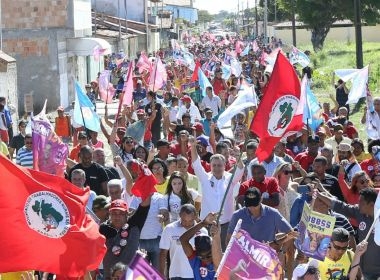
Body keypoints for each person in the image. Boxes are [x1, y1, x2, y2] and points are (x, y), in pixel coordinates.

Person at [190, 136, 244, 251]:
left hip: (226, 225)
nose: (216, 168)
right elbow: (196, 164)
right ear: (210, 165)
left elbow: (240, 170)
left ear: (225, 166)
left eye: (219, 165)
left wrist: (238, 156)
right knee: (207, 253)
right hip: (207, 225)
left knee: (224, 254)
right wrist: (193, 147)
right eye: (214, 165)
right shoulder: (205, 178)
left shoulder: (230, 178)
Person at [317, 187, 380, 279]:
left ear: (371, 204)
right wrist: (319, 195)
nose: (358, 204)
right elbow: (340, 206)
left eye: (361, 202)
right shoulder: (359, 212)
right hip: (363, 271)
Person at [99, 197, 151, 280]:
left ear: (127, 214)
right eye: (114, 213)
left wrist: (147, 186)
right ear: (110, 214)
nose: (117, 217)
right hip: (110, 277)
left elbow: (146, 203)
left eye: (121, 213)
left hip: (132, 276)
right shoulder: (103, 229)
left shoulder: (134, 224)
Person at [227, 187, 294, 246]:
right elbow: (229, 240)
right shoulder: (237, 216)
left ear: (261, 199)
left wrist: (281, 249)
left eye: (254, 204)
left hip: (266, 257)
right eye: (249, 205)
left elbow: (291, 233)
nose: (252, 208)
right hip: (244, 257)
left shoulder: (273, 214)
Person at [159, 204, 208, 280]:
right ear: (180, 216)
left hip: (195, 274)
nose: (187, 224)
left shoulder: (203, 231)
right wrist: (161, 274)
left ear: (195, 217)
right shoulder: (169, 229)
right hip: (176, 274)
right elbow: (163, 252)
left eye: (190, 221)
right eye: (184, 220)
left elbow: (205, 254)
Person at [129, 192, 168, 270]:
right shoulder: (136, 197)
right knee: (142, 274)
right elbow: (131, 213)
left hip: (156, 240)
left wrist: (162, 216)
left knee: (158, 273)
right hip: (140, 240)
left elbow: (164, 212)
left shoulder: (160, 197)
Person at [179, 213, 222, 280]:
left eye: (209, 255)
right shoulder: (195, 260)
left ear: (212, 250)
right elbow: (183, 240)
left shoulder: (219, 258)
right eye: (201, 257)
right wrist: (204, 223)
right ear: (196, 252)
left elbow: (218, 266)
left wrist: (216, 236)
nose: (206, 259)